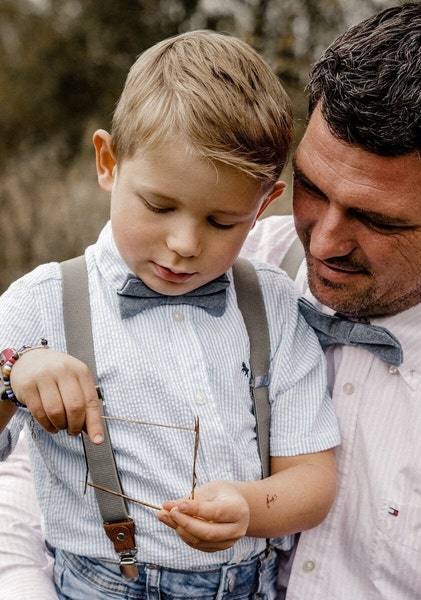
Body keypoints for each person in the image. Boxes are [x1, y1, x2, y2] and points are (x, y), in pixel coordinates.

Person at [3, 1, 421, 598]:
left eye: (375, 219)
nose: (325, 240)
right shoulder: (235, 255)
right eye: (313, 188)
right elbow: (31, 479)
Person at [0, 29, 340, 599]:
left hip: (243, 585)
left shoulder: (273, 306)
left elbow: (313, 479)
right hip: (100, 584)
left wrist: (249, 508)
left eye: (222, 222)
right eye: (159, 206)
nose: (184, 243)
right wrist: (13, 376)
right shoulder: (44, 302)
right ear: (108, 162)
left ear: (264, 205)